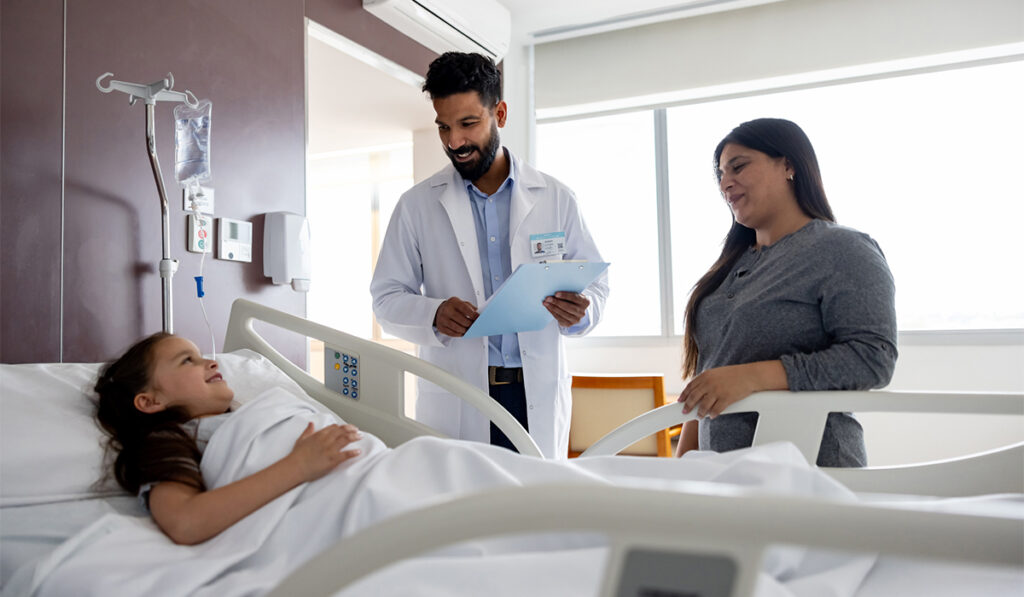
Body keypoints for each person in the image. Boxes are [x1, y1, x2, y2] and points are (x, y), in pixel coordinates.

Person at [370, 52, 608, 458]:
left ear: (499, 113)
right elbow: (386, 299)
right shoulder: (417, 206)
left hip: (535, 393)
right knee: (467, 514)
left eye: (468, 124)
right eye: (443, 126)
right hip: (459, 395)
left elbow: (596, 286)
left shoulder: (555, 198)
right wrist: (433, 313)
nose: (454, 142)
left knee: (536, 512)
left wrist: (581, 312)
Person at [674, 118, 897, 467]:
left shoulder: (843, 250)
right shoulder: (730, 268)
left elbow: (873, 358)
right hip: (724, 479)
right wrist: (681, 469)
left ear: (789, 165)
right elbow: (709, 380)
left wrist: (752, 377)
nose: (725, 183)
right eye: (720, 174)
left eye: (738, 166)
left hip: (813, 472)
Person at [94, 332, 364, 545]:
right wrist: (301, 465)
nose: (212, 362)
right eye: (187, 360)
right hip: (343, 502)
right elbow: (184, 522)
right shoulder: (169, 440)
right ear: (151, 401)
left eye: (200, 356)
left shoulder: (252, 412)